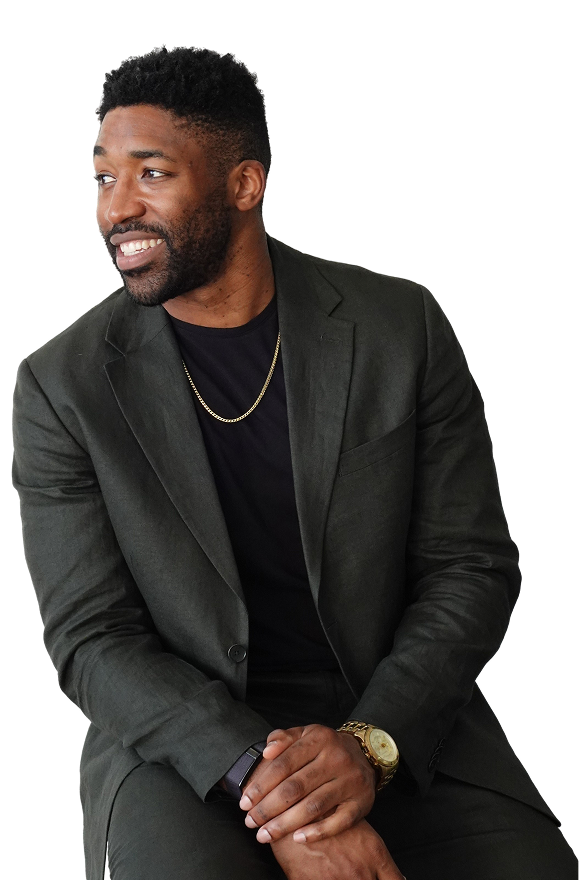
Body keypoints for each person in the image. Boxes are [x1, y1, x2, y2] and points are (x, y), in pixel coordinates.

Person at [12, 45, 577, 880]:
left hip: (392, 706)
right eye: (102, 178)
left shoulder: (400, 327)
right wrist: (277, 797)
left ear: (244, 185)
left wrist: (368, 745)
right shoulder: (60, 385)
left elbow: (471, 567)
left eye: (151, 174)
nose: (115, 209)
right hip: (183, 743)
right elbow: (91, 639)